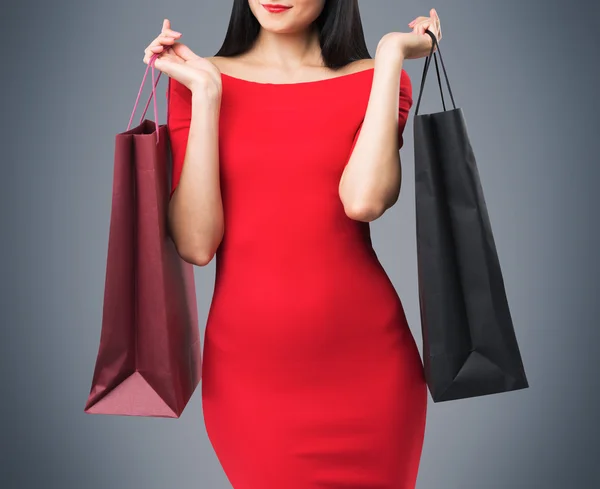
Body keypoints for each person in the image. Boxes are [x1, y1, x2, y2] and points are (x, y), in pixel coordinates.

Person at [143, 2, 442, 488]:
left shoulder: (378, 79)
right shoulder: (197, 80)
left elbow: (364, 200)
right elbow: (197, 244)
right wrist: (207, 94)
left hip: (371, 373)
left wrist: (390, 55)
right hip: (252, 383)